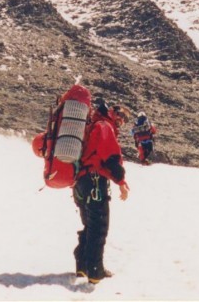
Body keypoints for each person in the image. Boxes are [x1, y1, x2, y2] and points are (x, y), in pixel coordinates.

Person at [73, 98, 129, 284]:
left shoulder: (93, 125)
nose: (121, 120)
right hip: (95, 181)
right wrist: (121, 181)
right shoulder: (105, 126)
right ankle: (95, 272)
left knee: (90, 225)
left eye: (125, 119)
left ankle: (82, 267)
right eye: (120, 114)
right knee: (99, 226)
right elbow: (110, 157)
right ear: (111, 111)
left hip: (81, 183)